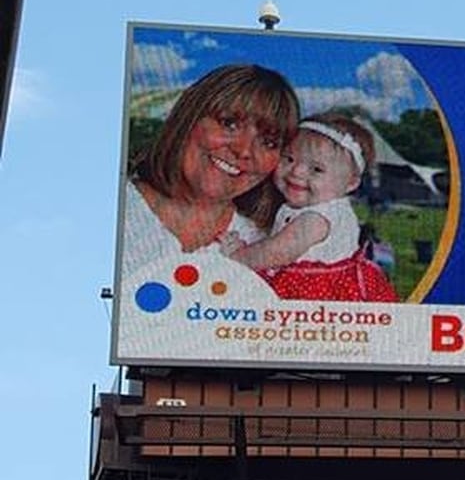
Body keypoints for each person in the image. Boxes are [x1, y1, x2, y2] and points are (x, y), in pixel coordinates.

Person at [122, 64, 299, 272]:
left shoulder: (270, 247)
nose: (243, 150)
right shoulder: (113, 206)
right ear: (189, 117)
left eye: (269, 142)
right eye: (229, 123)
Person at [230, 113, 398, 302]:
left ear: (350, 183)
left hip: (315, 295)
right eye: (290, 159)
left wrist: (237, 258)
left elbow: (277, 252)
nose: (297, 171)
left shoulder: (317, 217)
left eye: (317, 169)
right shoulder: (312, 206)